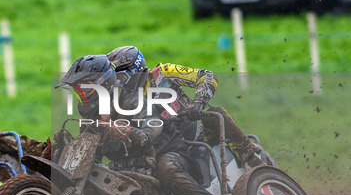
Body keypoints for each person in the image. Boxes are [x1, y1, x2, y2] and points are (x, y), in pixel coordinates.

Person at [56, 55, 212, 195]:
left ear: (104, 83)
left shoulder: (132, 100)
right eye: (78, 92)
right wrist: (65, 147)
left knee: (167, 169)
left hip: (167, 152)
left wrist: (129, 131)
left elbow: (151, 131)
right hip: (131, 164)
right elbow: (88, 148)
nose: (82, 96)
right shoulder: (93, 116)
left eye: (85, 89)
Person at [106, 46, 264, 169]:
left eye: (121, 76)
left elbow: (207, 76)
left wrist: (198, 102)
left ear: (136, 70)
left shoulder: (163, 73)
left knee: (216, 113)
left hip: (195, 128)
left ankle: (250, 156)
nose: (118, 81)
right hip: (164, 145)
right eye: (115, 77)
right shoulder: (120, 99)